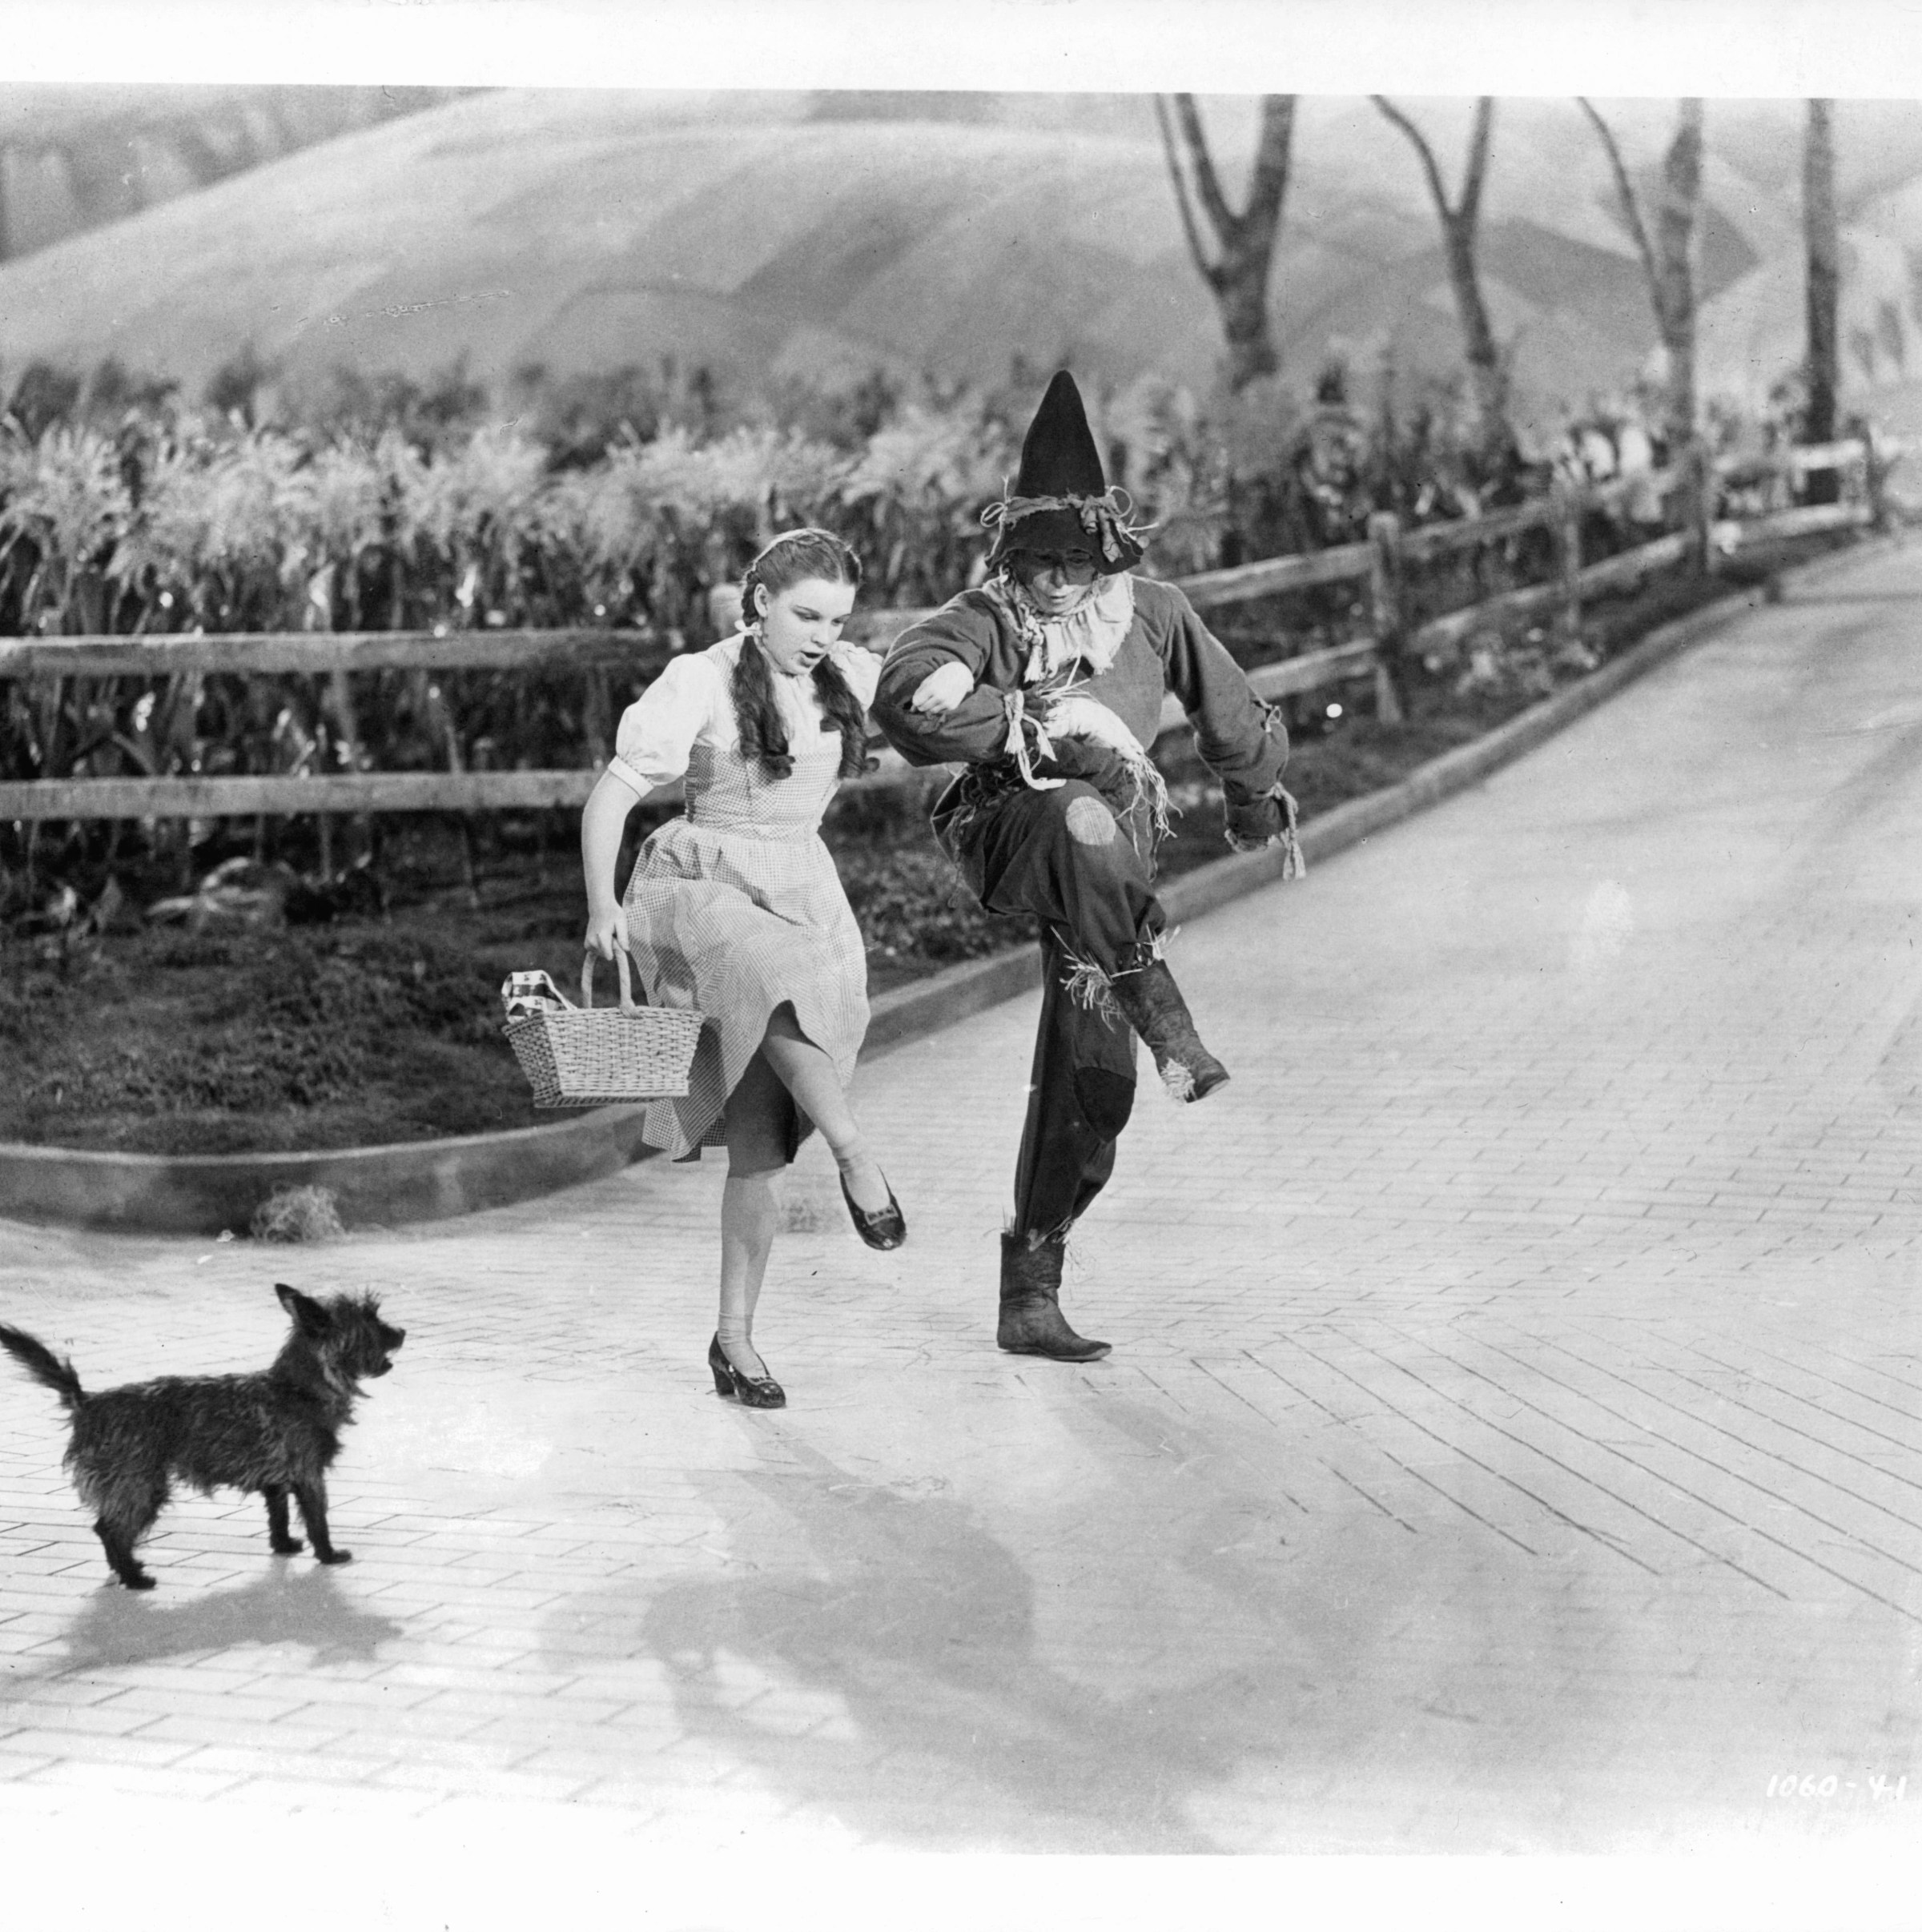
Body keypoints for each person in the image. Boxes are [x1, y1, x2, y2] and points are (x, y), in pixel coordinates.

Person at [871, 371, 1299, 1364]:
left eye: (1075, 563)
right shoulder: (985, 619)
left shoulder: (1151, 612)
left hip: (1109, 876)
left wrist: (1252, 800)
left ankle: (1033, 1289)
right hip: (1018, 830)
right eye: (1038, 563)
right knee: (1075, 807)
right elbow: (907, 700)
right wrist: (1025, 719)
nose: (1057, 583)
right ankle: (1164, 1004)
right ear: (1010, 557)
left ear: (1107, 554)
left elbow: (1231, 713)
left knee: (1093, 1076)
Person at [581, 528, 906, 1412]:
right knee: (775, 969)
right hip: (702, 883)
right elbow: (613, 790)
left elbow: (948, 704)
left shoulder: (851, 677)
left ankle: (735, 1341)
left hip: (803, 885)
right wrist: (602, 905)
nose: (822, 633)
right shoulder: (701, 677)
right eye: (806, 614)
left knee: (759, 1152)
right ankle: (856, 1152)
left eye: (837, 618)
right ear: (758, 601)